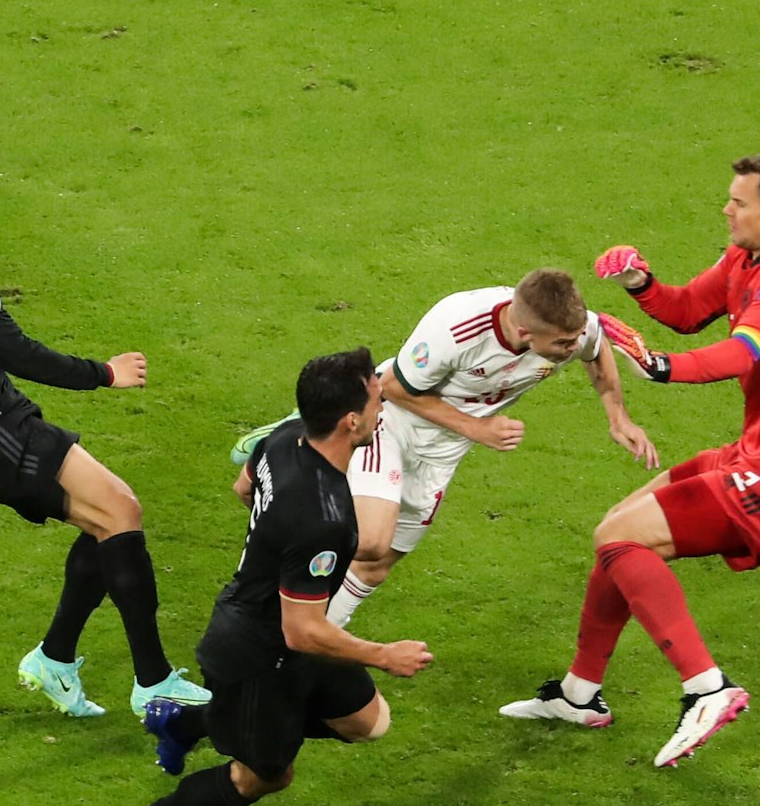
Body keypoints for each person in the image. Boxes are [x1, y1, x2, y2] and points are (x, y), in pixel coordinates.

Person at [500, 154, 760, 767]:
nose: (727, 209)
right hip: (754, 455)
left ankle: (706, 688)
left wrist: (659, 367)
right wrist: (641, 283)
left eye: (738, 202)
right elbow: (688, 311)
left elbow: (742, 353)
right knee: (619, 527)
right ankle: (580, 695)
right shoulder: (748, 257)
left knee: (620, 537)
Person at [0, 90, 209, 718]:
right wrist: (101, 374)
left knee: (107, 517)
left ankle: (56, 660)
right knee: (120, 508)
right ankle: (153, 683)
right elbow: (11, 347)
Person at [112, 349, 433, 806]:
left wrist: (278, 541)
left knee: (368, 723)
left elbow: (244, 488)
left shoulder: (284, 438)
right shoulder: (323, 517)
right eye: (377, 400)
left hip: (275, 626)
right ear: (351, 421)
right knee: (266, 774)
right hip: (257, 654)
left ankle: (185, 723)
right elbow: (302, 631)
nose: (383, 406)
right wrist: (382, 654)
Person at [232, 268, 659, 629]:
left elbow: (597, 345)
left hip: (444, 448)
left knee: (377, 565)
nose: (572, 349)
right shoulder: (457, 327)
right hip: (392, 423)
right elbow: (395, 388)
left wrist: (617, 416)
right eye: (564, 345)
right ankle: (291, 448)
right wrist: (479, 428)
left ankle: (314, 643)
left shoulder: (569, 328)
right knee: (370, 540)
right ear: (526, 331)